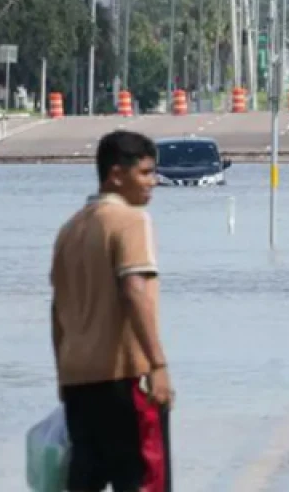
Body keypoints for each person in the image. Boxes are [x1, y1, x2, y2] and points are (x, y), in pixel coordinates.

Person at [51, 130, 172, 492]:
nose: (153, 183)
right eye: (146, 173)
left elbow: (58, 314)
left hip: (77, 384)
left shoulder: (69, 230)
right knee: (144, 482)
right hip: (127, 379)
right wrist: (158, 365)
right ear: (116, 175)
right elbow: (134, 292)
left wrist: (62, 376)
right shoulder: (131, 221)